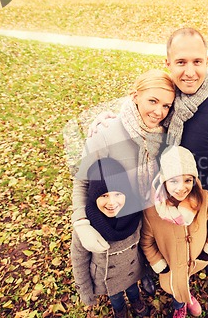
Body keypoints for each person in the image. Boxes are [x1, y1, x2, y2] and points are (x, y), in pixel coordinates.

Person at [89, 27, 208, 285]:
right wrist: (108, 118)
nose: (190, 72)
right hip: (156, 192)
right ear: (168, 63)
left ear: (207, 61)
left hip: (200, 197)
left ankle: (203, 262)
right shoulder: (166, 95)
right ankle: (149, 269)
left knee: (198, 236)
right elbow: (138, 106)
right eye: (181, 62)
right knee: (152, 236)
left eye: (197, 62)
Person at [71, 69, 175, 296]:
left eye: (166, 106)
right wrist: (80, 221)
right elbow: (82, 181)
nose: (159, 111)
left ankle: (143, 272)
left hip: (150, 209)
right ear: (135, 96)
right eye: (153, 101)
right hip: (117, 213)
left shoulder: (165, 133)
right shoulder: (105, 134)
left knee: (143, 248)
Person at [140, 146, 208, 318]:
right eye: (174, 181)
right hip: (170, 264)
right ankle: (181, 302)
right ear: (164, 180)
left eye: (187, 180)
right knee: (176, 285)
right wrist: (159, 263)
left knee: (186, 278)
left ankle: (186, 295)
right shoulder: (152, 210)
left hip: (195, 260)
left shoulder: (205, 199)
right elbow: (146, 241)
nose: (181, 188)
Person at [70, 158, 149, 318]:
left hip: (132, 272)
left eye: (118, 194)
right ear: (93, 196)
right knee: (115, 296)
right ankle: (119, 309)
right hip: (107, 279)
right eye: (104, 195)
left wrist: (148, 269)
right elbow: (79, 260)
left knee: (133, 289)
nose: (112, 202)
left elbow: (144, 243)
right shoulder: (86, 225)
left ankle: (135, 301)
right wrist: (85, 290)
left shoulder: (135, 216)